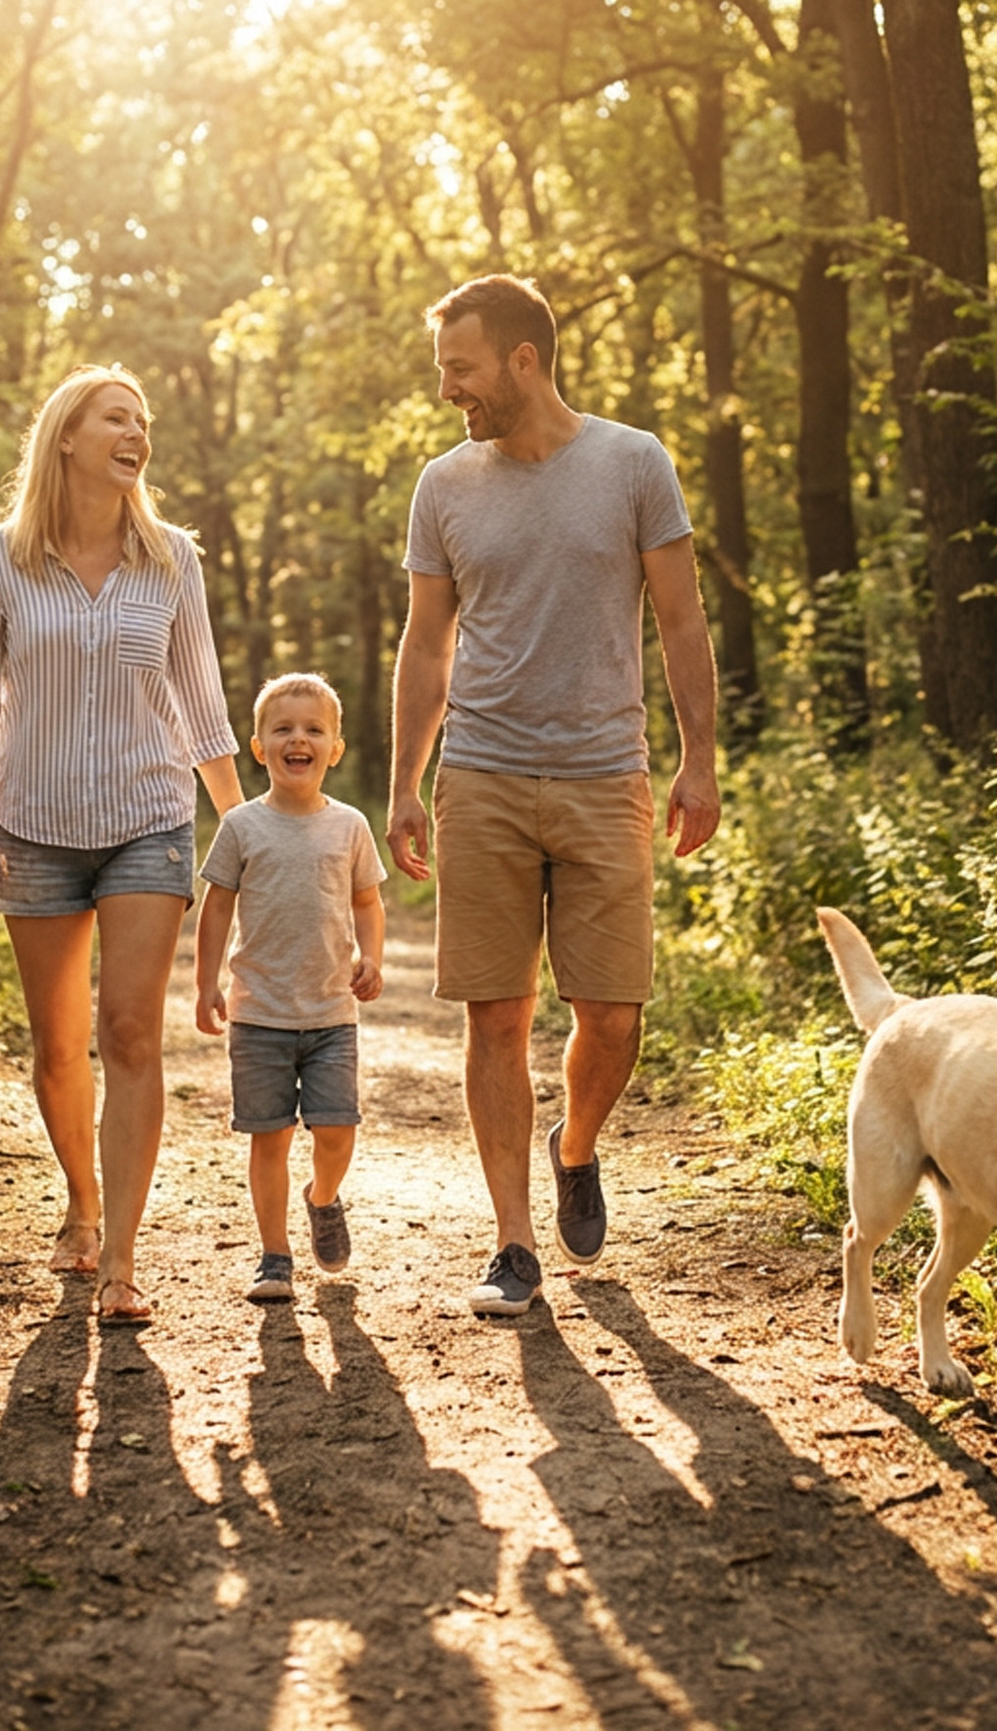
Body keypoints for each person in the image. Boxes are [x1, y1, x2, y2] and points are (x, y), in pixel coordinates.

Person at [387, 274, 720, 1317]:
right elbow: (425, 643)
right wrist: (404, 780)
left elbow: (677, 618)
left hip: (603, 773)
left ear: (522, 359)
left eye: (462, 368)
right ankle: (513, 1242)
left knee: (611, 1016)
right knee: (496, 1014)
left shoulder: (631, 462)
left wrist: (698, 757)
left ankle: (573, 1144)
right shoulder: (443, 484)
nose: (452, 391)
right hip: (480, 772)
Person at [0, 363, 244, 1327]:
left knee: (130, 1035)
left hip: (150, 820)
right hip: (35, 826)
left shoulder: (172, 560)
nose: (135, 432)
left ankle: (121, 1257)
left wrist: (246, 830)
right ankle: (78, 1198)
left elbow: (202, 704)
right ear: (67, 435)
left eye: (143, 420)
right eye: (117, 416)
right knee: (59, 1049)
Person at [194, 672, 387, 1303]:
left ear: (335, 748)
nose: (297, 739)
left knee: (338, 1131)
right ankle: (274, 1255)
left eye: (313, 730)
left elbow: (367, 901)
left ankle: (323, 1196)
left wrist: (372, 955)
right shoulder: (242, 827)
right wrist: (206, 983)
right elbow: (217, 907)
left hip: (332, 1012)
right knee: (268, 1137)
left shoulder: (350, 826)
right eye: (283, 729)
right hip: (260, 1016)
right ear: (258, 747)